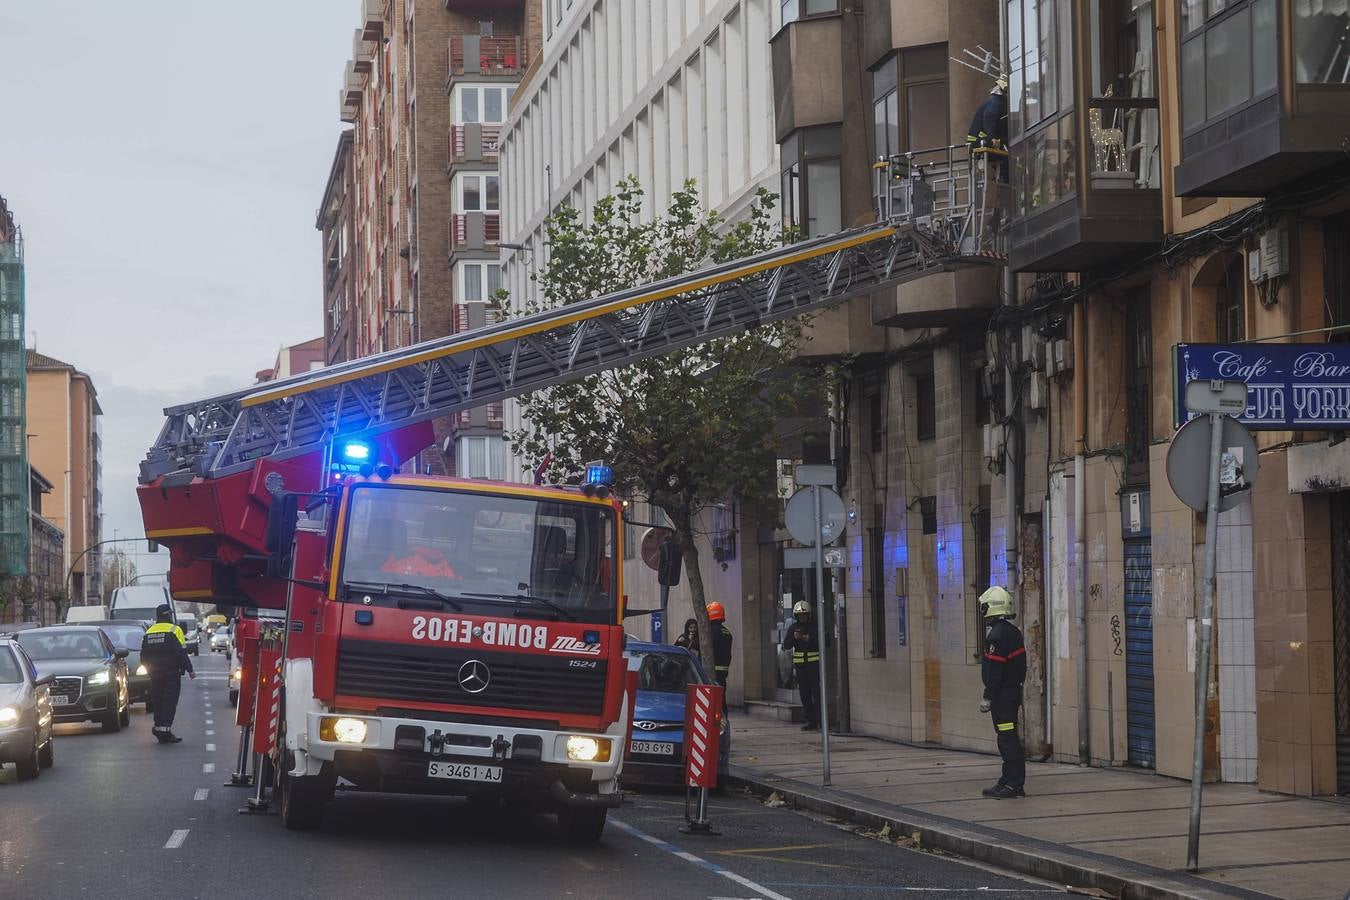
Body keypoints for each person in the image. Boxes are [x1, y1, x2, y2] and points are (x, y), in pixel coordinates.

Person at [979, 585, 1027, 798]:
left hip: (1003, 697)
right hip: (1011, 694)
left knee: (1007, 739)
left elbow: (995, 671)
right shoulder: (1012, 632)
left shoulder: (996, 637)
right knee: (1008, 737)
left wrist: (988, 696)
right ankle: (1008, 779)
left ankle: (1013, 783)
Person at [139, 604, 196, 744]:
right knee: (169, 701)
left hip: (154, 674)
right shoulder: (174, 630)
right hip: (171, 674)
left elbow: (143, 656)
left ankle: (159, 728)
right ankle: (165, 730)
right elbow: (181, 653)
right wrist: (190, 670)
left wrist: (151, 669)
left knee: (158, 700)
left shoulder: (149, 632)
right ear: (168, 615)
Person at [782, 600, 822, 731]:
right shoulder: (793, 628)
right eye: (800, 615)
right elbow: (786, 645)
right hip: (801, 668)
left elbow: (825, 641)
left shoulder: (815, 627)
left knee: (817, 693)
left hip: (814, 666)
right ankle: (811, 720)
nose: (802, 617)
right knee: (804, 695)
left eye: (804, 615)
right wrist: (794, 638)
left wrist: (808, 638)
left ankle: (821, 720)